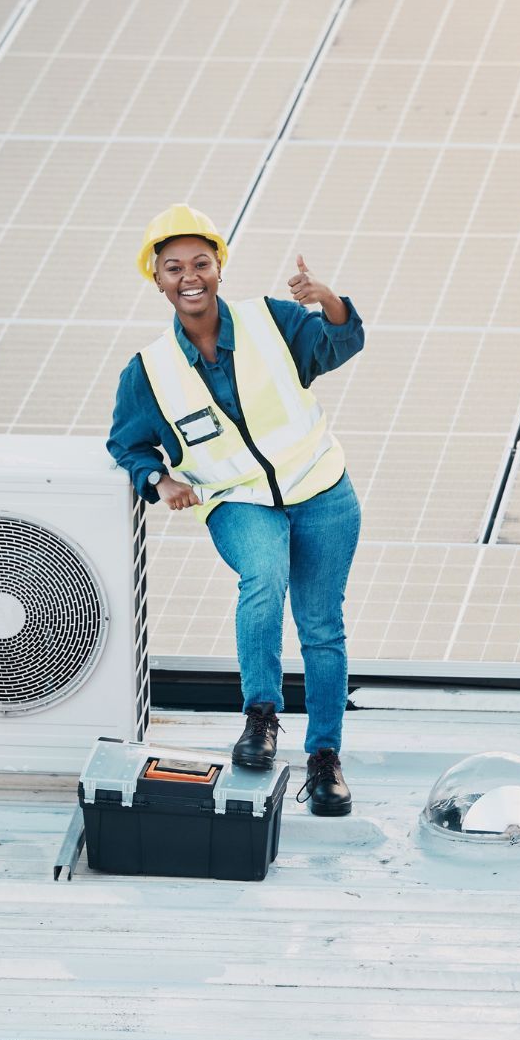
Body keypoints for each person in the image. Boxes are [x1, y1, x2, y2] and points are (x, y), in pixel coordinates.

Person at [106, 204, 364, 816]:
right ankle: (261, 718)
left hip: (322, 490)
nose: (189, 276)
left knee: (322, 625)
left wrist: (327, 299)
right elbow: (128, 442)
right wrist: (158, 481)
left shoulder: (271, 321)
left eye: (200, 262)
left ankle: (325, 757)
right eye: (174, 268)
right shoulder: (148, 371)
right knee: (264, 579)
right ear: (158, 279)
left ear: (219, 266)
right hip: (237, 501)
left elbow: (338, 345)